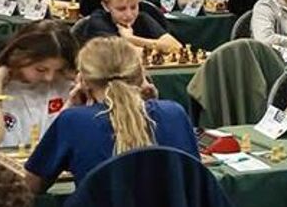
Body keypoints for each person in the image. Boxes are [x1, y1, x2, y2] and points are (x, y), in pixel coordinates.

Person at [25, 37, 199, 190]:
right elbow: (195, 180)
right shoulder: (174, 113)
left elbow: (33, 184)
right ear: (141, 75)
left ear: (83, 81)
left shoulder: (72, 120)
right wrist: (155, 103)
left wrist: (69, 107)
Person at [0, 22, 73, 150]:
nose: (49, 77)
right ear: (19, 58)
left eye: (58, 70)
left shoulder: (66, 84)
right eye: (41, 69)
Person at [76, 0, 181, 56]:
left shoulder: (142, 18)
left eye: (134, 7)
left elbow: (176, 47)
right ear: (106, 6)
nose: (129, 14)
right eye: (121, 9)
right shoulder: (98, 21)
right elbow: (126, 55)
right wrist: (158, 48)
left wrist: (131, 38)